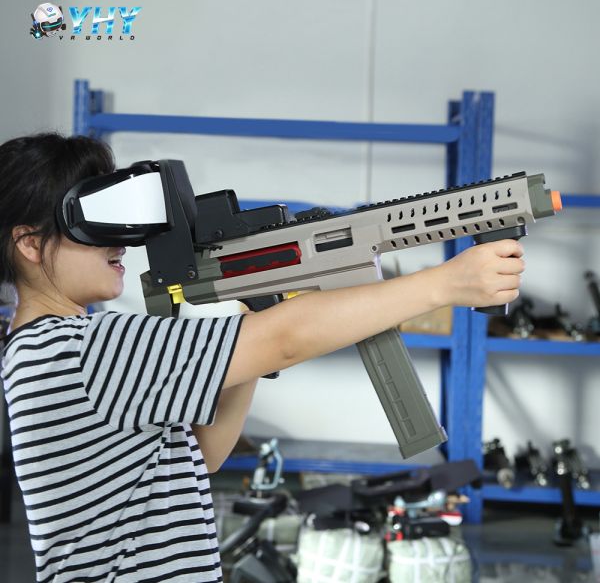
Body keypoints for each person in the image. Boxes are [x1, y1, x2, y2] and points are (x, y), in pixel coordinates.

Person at [0, 133, 525, 582]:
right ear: (29, 244)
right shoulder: (80, 350)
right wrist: (446, 283)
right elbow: (287, 338)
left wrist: (252, 306)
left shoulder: (46, 351)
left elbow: (202, 454)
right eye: (93, 223)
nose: (119, 242)